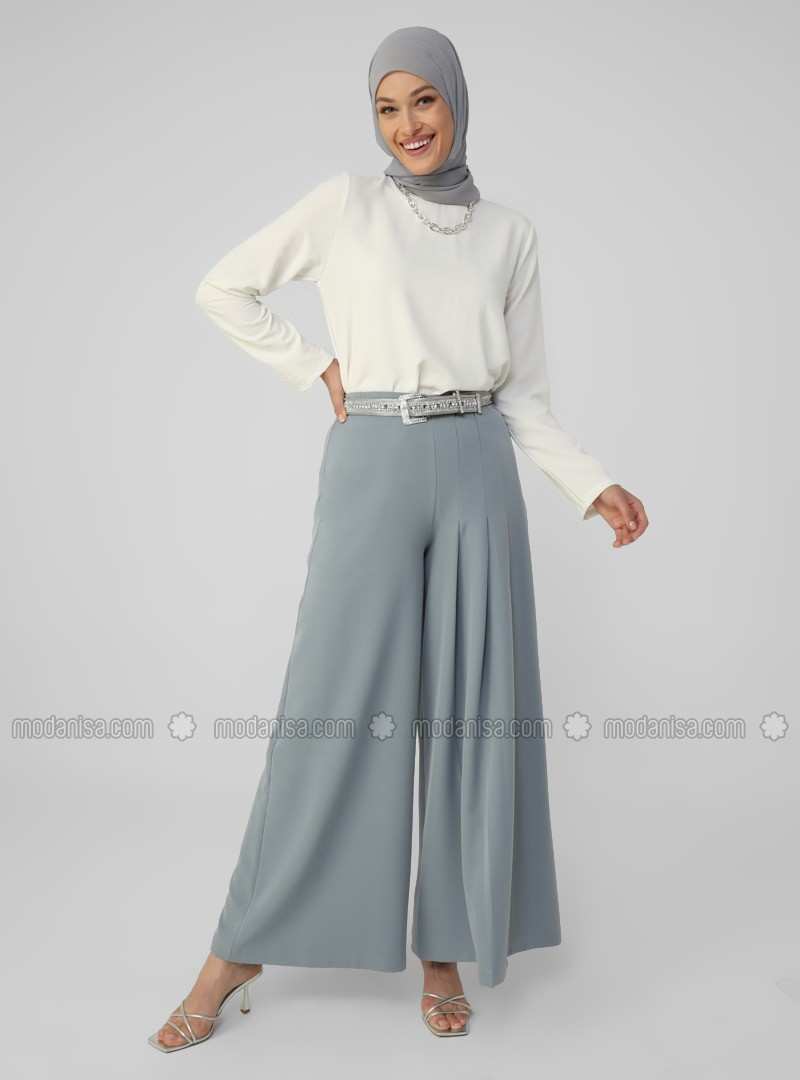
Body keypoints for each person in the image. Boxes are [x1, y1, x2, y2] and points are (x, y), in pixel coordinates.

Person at [149, 24, 648, 1051]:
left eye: (424, 101)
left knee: (472, 715)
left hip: (478, 465)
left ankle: (445, 946)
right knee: (329, 708)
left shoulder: (508, 234)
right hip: (373, 457)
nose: (407, 124)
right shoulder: (347, 204)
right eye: (387, 107)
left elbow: (525, 393)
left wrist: (589, 483)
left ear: (455, 102)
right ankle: (238, 947)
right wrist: (314, 368)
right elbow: (222, 287)